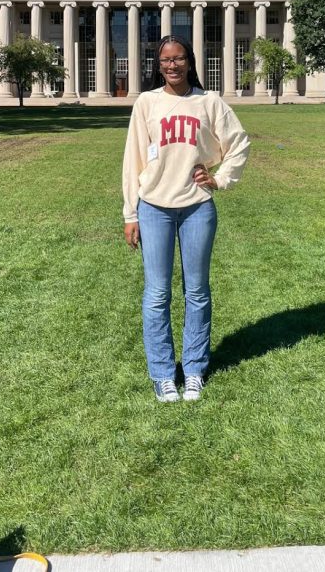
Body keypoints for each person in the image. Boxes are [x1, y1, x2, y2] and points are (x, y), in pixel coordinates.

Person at [122, 35, 250, 403]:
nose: (172, 65)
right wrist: (131, 213)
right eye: (165, 60)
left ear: (189, 61)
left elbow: (238, 141)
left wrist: (220, 177)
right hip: (154, 208)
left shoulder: (208, 102)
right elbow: (134, 160)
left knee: (197, 292)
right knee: (157, 293)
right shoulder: (146, 103)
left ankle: (193, 369)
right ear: (158, 64)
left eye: (178, 59)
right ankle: (163, 374)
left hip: (197, 207)